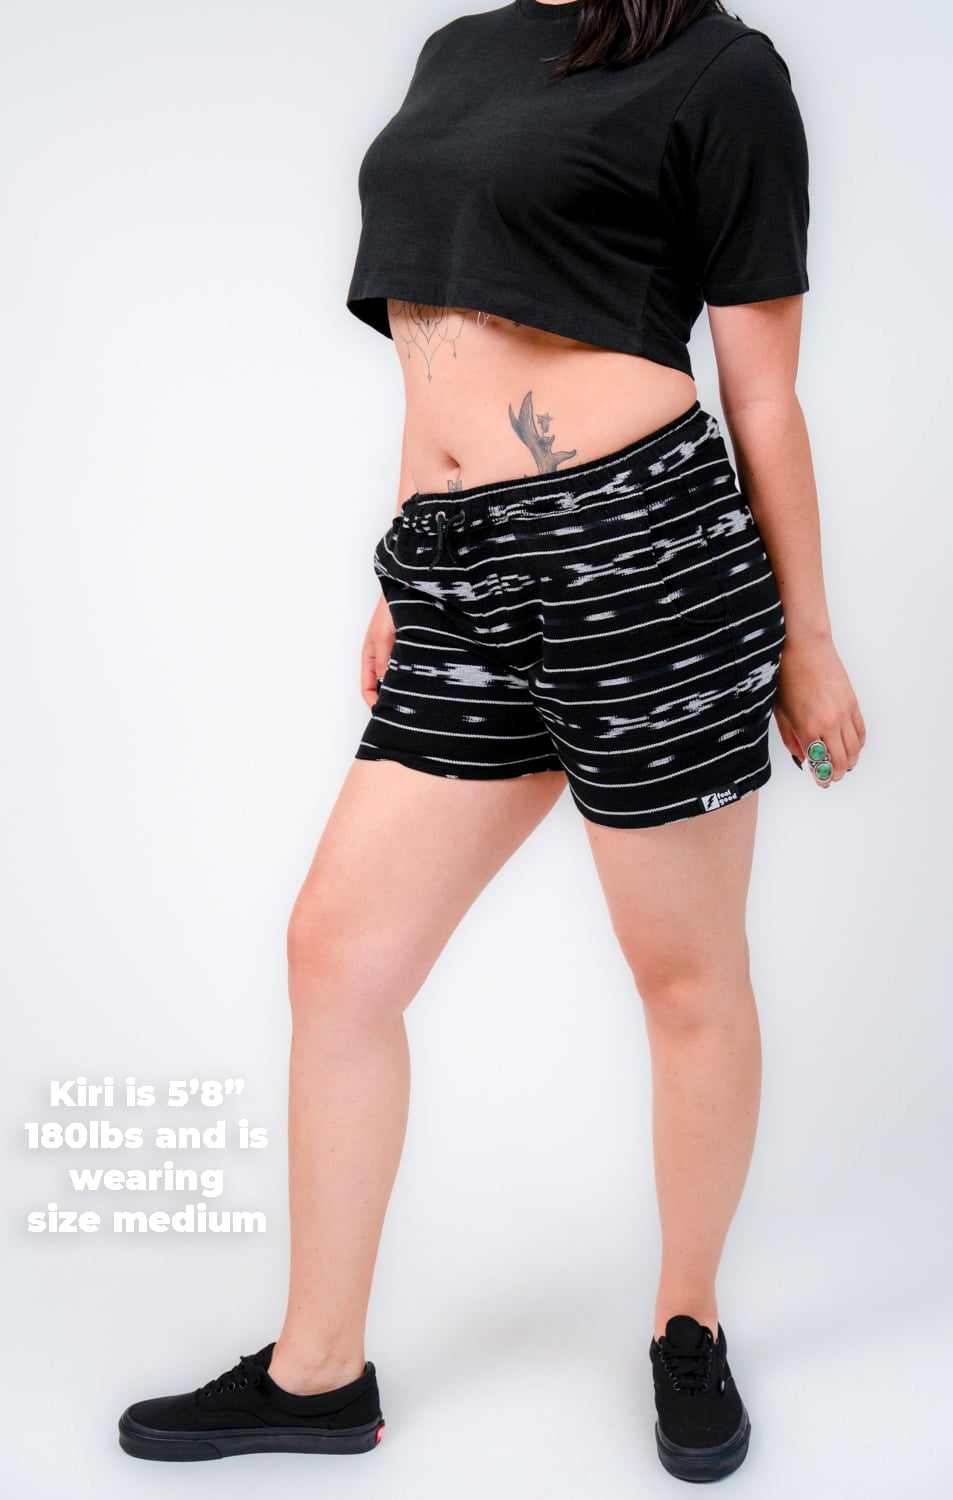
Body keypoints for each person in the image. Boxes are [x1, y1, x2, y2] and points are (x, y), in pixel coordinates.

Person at [117, 0, 865, 1483]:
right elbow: (428, 324)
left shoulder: (722, 70)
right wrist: (409, 561)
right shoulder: (460, 48)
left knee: (682, 976)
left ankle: (688, 1322)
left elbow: (763, 389)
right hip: (460, 566)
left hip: (640, 558)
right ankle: (318, 1372)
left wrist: (810, 639)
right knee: (339, 957)